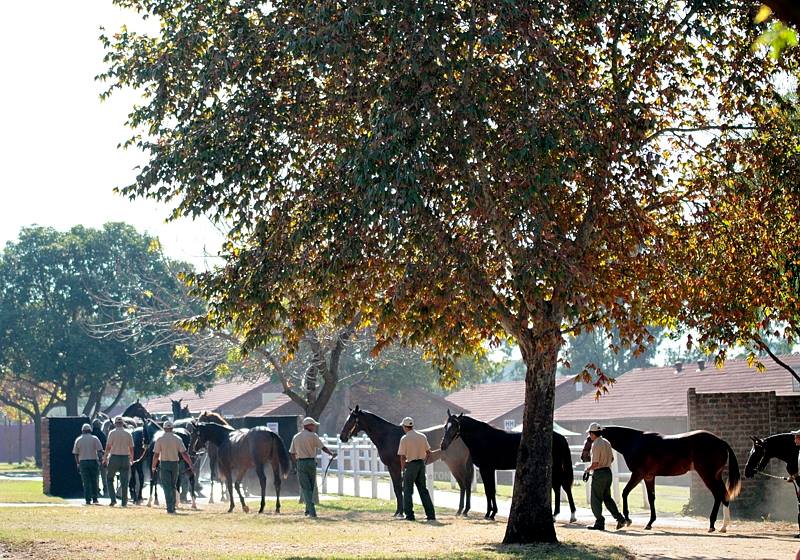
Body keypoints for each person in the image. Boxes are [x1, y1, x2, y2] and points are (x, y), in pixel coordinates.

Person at [289, 417, 337, 518]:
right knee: (310, 487)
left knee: (306, 488)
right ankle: (309, 510)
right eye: (313, 425)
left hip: (301, 463)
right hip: (311, 463)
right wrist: (331, 454)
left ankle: (310, 511)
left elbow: (292, 453)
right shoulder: (313, 436)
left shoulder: (296, 437)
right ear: (308, 425)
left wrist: (296, 464)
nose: (314, 427)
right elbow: (322, 447)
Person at [585, 422, 626, 531]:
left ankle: (599, 522)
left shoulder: (595, 444)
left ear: (592, 433)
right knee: (607, 498)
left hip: (599, 474)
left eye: (589, 433)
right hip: (608, 472)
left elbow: (595, 464)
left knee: (595, 499)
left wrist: (588, 469)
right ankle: (620, 519)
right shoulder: (607, 442)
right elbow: (612, 459)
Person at [397, 416, 435, 522]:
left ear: (405, 427)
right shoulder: (422, 436)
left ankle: (409, 515)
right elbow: (429, 452)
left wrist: (402, 469)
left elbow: (402, 457)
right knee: (423, 490)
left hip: (411, 465)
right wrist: (424, 462)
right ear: (412, 426)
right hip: (421, 464)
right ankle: (431, 514)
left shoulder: (404, 438)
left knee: (408, 490)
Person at [152, 420, 194, 514]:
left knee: (166, 486)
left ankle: (169, 507)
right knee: (173, 485)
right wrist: (190, 464)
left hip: (164, 464)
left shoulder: (159, 439)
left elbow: (156, 455)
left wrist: (153, 466)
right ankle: (173, 506)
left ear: (164, 428)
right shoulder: (177, 439)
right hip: (175, 464)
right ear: (172, 428)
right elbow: (184, 453)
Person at [103, 416, 134, 507]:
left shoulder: (112, 433)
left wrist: (105, 458)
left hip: (114, 458)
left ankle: (113, 499)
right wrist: (131, 459)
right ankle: (124, 502)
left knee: (109, 479)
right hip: (125, 458)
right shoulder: (128, 433)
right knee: (124, 482)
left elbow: (108, 447)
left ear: (115, 423)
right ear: (123, 423)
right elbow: (131, 448)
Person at [73, 423, 103, 505]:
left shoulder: (78, 439)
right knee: (94, 480)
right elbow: (100, 450)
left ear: (82, 431)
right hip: (93, 461)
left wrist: (78, 463)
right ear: (90, 430)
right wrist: (101, 461)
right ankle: (95, 498)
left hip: (83, 461)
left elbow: (76, 453)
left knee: (86, 482)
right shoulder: (94, 438)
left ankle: (87, 499)